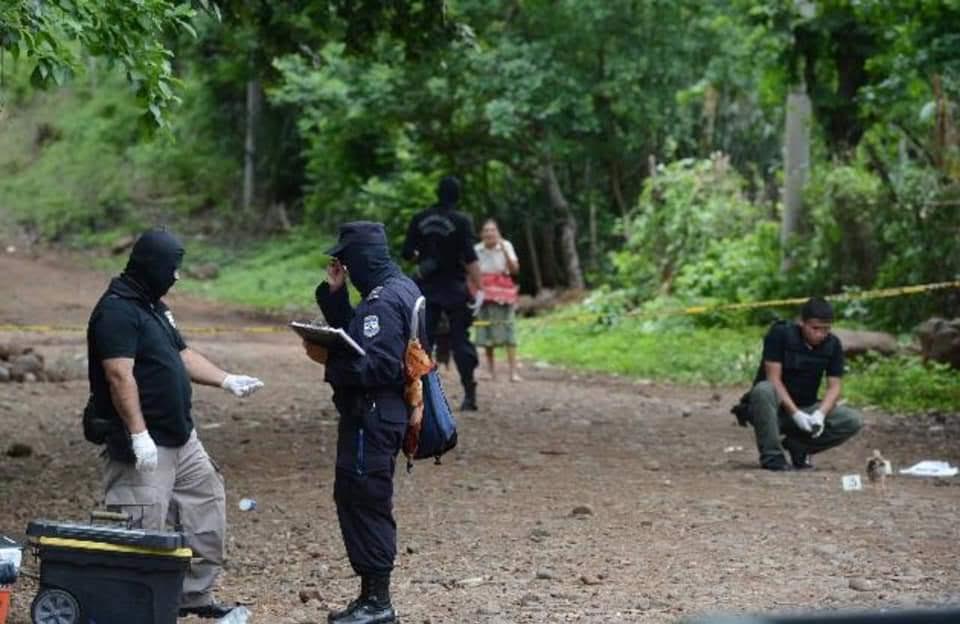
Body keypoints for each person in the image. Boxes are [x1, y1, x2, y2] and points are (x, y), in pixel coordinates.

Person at [86, 228, 264, 619]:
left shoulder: (153, 305)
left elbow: (180, 354)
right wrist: (139, 435)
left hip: (183, 439)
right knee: (141, 528)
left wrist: (226, 379)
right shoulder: (115, 311)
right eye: (173, 268)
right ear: (152, 267)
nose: (177, 276)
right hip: (144, 443)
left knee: (206, 513)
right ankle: (137, 609)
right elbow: (119, 376)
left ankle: (191, 597)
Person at [304, 221, 420, 624]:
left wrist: (328, 356)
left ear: (365, 258)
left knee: (364, 497)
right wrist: (335, 298)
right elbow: (362, 335)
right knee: (361, 495)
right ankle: (370, 597)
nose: (346, 270)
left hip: (371, 414)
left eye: (348, 261)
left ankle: (378, 602)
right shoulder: (399, 288)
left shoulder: (383, 302)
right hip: (378, 414)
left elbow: (378, 366)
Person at [747, 297, 863, 471]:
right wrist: (795, 414)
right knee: (763, 390)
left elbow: (835, 387)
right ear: (802, 322)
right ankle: (773, 457)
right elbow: (773, 379)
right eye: (815, 328)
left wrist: (820, 414)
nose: (820, 335)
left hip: (806, 408)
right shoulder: (780, 335)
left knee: (852, 420)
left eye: (826, 329)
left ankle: (800, 447)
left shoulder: (832, 345)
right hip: (773, 410)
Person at [401, 175, 483, 410]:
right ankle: (469, 394)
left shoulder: (420, 219)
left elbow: (408, 253)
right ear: (457, 196)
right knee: (460, 342)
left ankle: (419, 396)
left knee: (423, 341)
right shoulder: (461, 221)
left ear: (437, 193)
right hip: (455, 290)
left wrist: (426, 258)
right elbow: (470, 257)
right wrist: (480, 289)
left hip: (426, 289)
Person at [473, 218, 521, 382]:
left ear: (498, 232)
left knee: (509, 329)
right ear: (481, 234)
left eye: (492, 230)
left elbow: (515, 270)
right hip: (483, 291)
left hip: (503, 291)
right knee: (486, 331)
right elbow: (472, 272)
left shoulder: (506, 245)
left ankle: (513, 371)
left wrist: (503, 249)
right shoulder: (476, 249)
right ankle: (490, 371)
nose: (489, 233)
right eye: (486, 230)